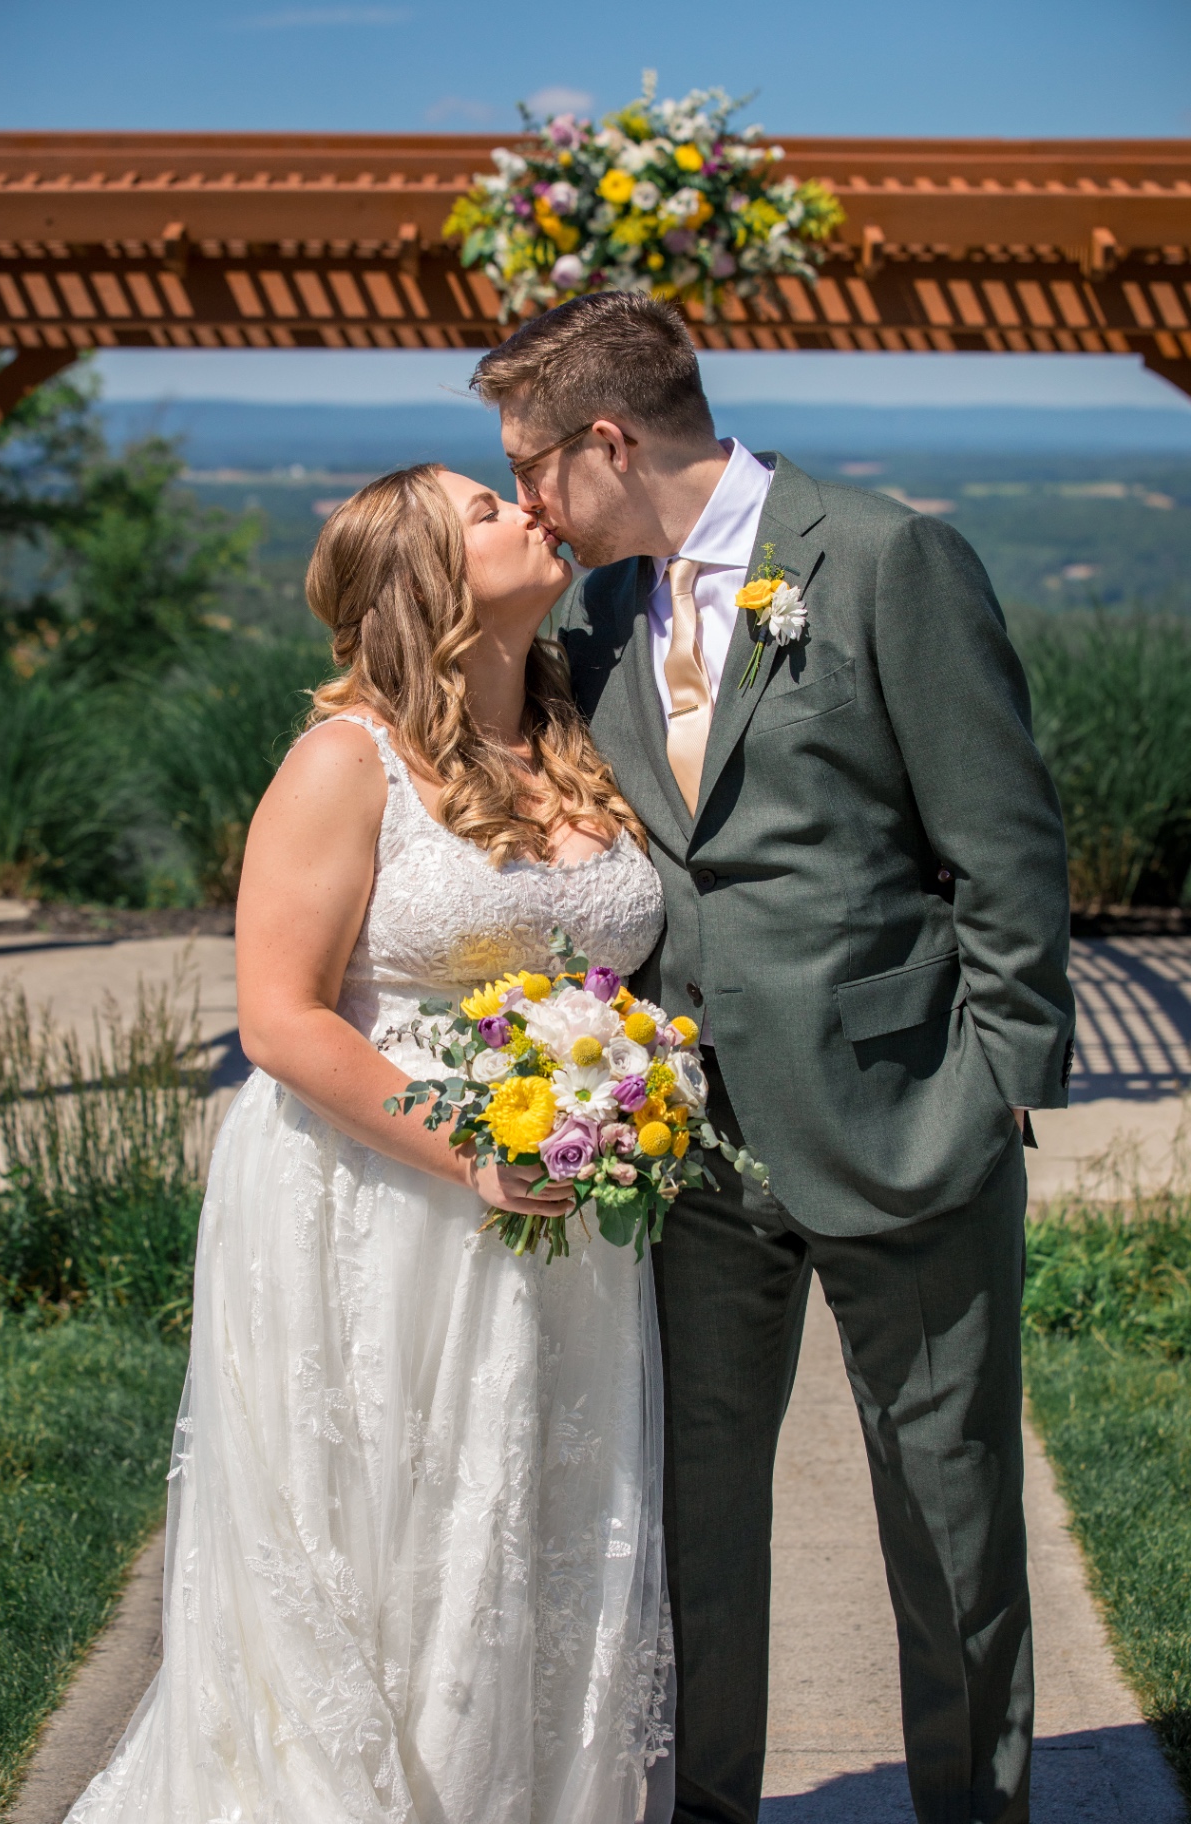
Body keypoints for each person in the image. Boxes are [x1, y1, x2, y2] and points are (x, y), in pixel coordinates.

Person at [471, 291, 1077, 1824]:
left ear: (610, 441)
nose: (529, 502)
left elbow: (1005, 848)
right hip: (688, 1155)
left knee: (951, 1530)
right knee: (693, 1530)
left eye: (534, 467)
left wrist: (997, 1079)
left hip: (905, 1123)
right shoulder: (596, 611)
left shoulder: (884, 561)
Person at [66, 464, 672, 1824]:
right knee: (398, 1538)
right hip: (381, 1198)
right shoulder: (347, 760)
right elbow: (280, 1020)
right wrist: (469, 1152)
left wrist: (629, 1097)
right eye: (485, 510)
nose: (529, 507)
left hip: (563, 1220)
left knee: (538, 1530)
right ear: (425, 580)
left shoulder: (577, 730)